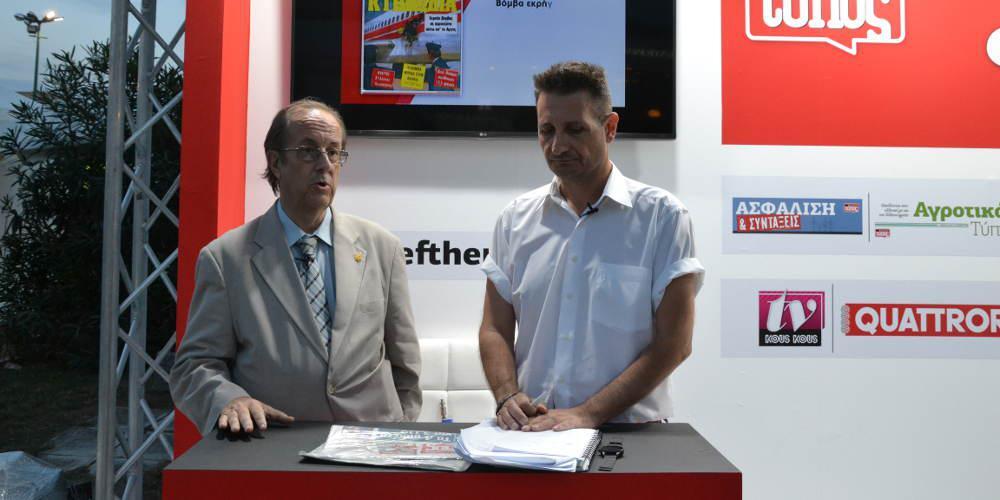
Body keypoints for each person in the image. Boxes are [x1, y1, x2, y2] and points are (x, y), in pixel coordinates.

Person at [170, 98, 421, 437]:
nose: (325, 164)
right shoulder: (226, 258)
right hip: (274, 444)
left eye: (334, 152)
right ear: (276, 162)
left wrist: (401, 430)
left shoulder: (382, 247)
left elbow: (405, 363)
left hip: (370, 443)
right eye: (308, 151)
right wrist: (229, 400)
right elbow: (194, 365)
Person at [479, 61, 704, 432]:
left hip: (632, 434)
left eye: (575, 129)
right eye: (547, 130)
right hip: (534, 432)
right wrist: (507, 396)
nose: (557, 145)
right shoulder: (514, 219)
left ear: (610, 128)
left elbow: (675, 343)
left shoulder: (662, 217)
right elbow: (494, 329)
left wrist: (588, 413)